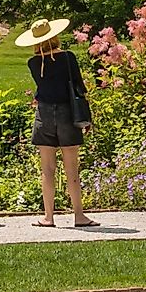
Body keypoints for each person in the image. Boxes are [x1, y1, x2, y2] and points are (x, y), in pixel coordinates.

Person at [17, 18, 96, 227]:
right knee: (72, 169)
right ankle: (79, 215)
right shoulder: (68, 58)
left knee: (47, 169)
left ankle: (48, 216)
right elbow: (78, 85)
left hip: (43, 114)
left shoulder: (33, 63)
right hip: (67, 113)